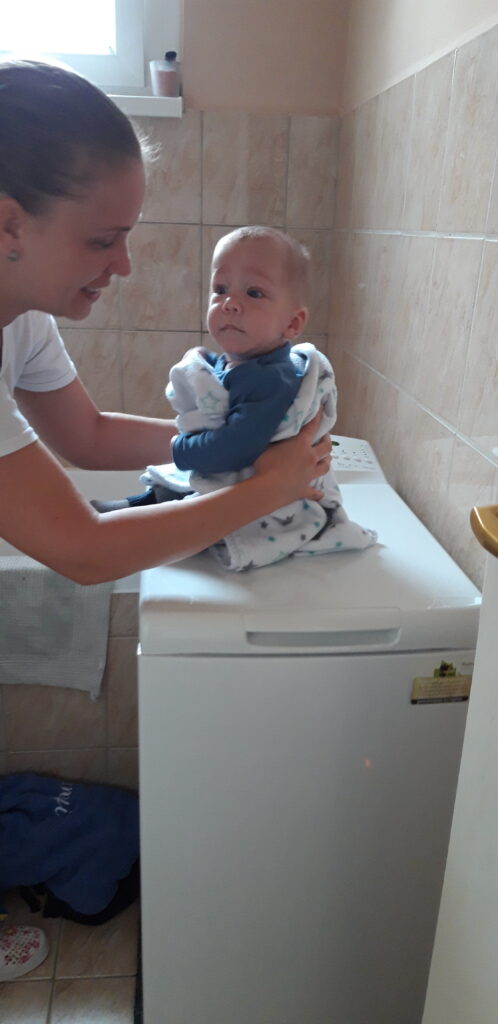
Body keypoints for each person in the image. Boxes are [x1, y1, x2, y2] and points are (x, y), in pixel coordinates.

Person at [0, 63, 331, 974]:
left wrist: (253, 446)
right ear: (9, 223)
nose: (125, 265)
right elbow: (80, 549)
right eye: (103, 239)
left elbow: (90, 434)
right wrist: (266, 488)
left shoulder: (20, 313)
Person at [94, 226, 376, 570]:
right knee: (180, 488)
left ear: (292, 323)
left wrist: (181, 448)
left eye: (254, 293)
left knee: (192, 487)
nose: (230, 303)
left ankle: (133, 512)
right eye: (221, 289)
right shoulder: (243, 364)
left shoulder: (272, 378)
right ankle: (134, 507)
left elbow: (234, 447)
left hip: (268, 497)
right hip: (249, 477)